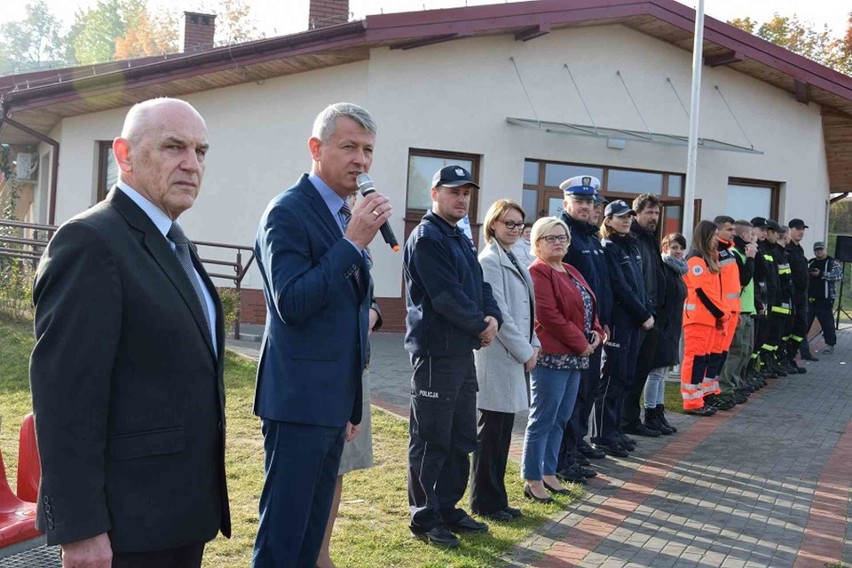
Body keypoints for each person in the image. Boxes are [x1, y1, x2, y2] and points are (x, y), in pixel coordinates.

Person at [29, 98, 230, 568]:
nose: (191, 163)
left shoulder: (174, 241)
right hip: (125, 528)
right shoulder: (92, 241)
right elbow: (65, 401)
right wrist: (80, 530)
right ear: (124, 155)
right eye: (173, 147)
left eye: (201, 151)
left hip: (179, 513)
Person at [252, 102, 392, 566]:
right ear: (316, 148)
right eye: (349, 146)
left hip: (333, 402)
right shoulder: (287, 212)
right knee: (283, 537)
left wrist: (351, 402)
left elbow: (346, 310)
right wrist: (351, 243)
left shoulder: (341, 215)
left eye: (368, 150)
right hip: (297, 402)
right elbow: (292, 303)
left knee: (312, 537)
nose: (361, 160)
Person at [404, 165, 502, 549]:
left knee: (461, 436)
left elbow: (480, 285)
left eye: (466, 193)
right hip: (435, 356)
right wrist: (481, 324)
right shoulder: (428, 237)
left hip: (460, 353)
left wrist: (492, 316)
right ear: (435, 193)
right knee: (431, 440)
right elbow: (445, 297)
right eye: (453, 192)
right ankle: (424, 518)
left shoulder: (458, 235)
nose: (461, 199)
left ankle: (447, 508)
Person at [316, 199, 383, 568]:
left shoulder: (361, 239)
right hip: (322, 373)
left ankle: (322, 553)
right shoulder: (315, 229)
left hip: (357, 365)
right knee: (312, 471)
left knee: (339, 467)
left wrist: (374, 311)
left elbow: (365, 295)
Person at [523, 217, 603, 501]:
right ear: (537, 244)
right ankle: (532, 478)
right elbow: (548, 315)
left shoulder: (569, 269)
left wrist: (596, 332)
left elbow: (588, 305)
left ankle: (549, 472)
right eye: (550, 238)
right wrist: (582, 343)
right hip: (552, 358)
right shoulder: (539, 271)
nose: (558, 242)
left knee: (561, 418)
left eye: (562, 237)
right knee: (543, 418)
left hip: (575, 358)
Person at [471, 200, 539, 522]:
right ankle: (484, 501)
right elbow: (500, 314)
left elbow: (527, 310)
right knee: (491, 433)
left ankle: (497, 498)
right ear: (493, 225)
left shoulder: (514, 256)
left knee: (503, 432)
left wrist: (533, 344)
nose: (515, 229)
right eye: (509, 223)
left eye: (519, 224)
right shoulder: (489, 261)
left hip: (515, 355)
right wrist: (526, 352)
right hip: (498, 356)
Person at [557, 176, 611, 471]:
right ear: (566, 204)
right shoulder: (565, 236)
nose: (585, 207)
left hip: (594, 328)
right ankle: (568, 451)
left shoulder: (590, 237)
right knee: (574, 395)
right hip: (575, 330)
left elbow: (601, 285)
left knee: (588, 389)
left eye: (590, 202)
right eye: (579, 202)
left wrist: (604, 322)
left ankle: (577, 441)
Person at [592, 200, 653, 457]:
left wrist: (645, 311)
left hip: (634, 323)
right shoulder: (609, 247)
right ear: (608, 220)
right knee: (612, 379)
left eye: (628, 216)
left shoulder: (631, 245)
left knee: (625, 378)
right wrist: (642, 314)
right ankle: (603, 435)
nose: (626, 220)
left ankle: (615, 431)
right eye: (620, 217)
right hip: (620, 322)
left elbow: (638, 285)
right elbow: (619, 288)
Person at [623, 194, 665, 437]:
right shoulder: (633, 239)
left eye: (657, 213)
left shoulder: (649, 239)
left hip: (651, 315)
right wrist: (642, 312)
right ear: (636, 213)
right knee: (629, 374)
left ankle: (631, 419)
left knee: (641, 372)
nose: (654, 218)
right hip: (637, 317)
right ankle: (625, 421)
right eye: (649, 213)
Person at [681, 220, 727, 416]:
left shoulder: (705, 260)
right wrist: (721, 313)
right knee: (695, 360)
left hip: (706, 319)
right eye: (714, 235)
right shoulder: (695, 260)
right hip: (698, 319)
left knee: (702, 360)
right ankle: (691, 401)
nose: (717, 239)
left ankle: (697, 398)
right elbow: (704, 292)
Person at [643, 233, 687, 435]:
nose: (677, 251)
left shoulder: (678, 270)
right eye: (674, 247)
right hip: (662, 327)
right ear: (665, 248)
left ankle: (659, 412)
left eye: (680, 248)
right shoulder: (663, 269)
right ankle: (651, 413)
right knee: (656, 373)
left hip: (673, 328)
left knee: (663, 373)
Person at [702, 216, 742, 410]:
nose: (733, 233)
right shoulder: (715, 253)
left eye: (734, 229)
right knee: (713, 356)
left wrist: (736, 310)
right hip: (722, 313)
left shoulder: (728, 252)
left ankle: (712, 392)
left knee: (721, 356)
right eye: (729, 229)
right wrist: (722, 312)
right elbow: (714, 287)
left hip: (731, 312)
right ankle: (706, 394)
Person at [726, 220, 760, 398]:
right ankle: (728, 387)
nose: (754, 238)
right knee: (736, 351)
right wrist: (751, 258)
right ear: (744, 235)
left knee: (745, 350)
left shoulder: (745, 252)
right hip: (737, 310)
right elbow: (743, 280)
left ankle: (737, 383)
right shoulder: (735, 254)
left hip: (747, 309)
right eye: (751, 235)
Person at [786, 219, 815, 363]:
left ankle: (791, 358)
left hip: (802, 297)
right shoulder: (787, 249)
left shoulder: (799, 249)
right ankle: (785, 359)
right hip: (792, 296)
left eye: (803, 229)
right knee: (789, 329)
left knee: (801, 327)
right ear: (790, 229)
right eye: (798, 228)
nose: (801, 231)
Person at [807, 241, 843, 354]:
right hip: (810, 299)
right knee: (804, 323)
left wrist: (821, 274)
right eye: (817, 250)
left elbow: (838, 276)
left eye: (821, 249)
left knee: (827, 324)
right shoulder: (811, 262)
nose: (819, 251)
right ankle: (799, 345)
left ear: (825, 250)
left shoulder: (832, 262)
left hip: (825, 299)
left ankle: (830, 344)